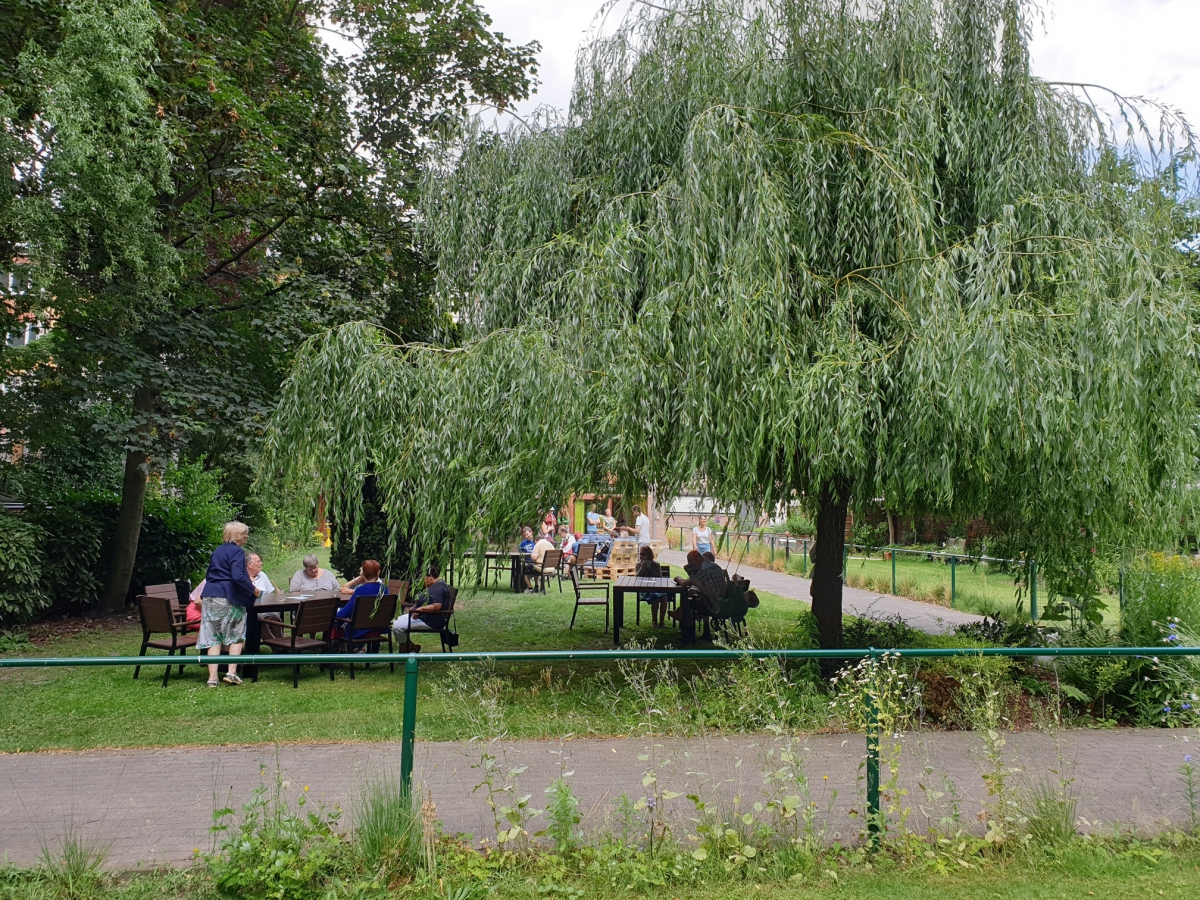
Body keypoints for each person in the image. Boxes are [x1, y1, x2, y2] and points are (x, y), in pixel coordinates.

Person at [197, 521, 261, 686]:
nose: (246, 538)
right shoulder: (237, 552)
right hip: (227, 597)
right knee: (236, 635)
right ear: (237, 535)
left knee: (213, 637)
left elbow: (209, 573)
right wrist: (253, 589)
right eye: (244, 534)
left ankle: (212, 679)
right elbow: (237, 576)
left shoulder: (217, 551)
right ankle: (231, 673)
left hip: (210, 596)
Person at [392, 562, 454, 652]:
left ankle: (406, 650)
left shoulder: (438, 587)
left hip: (432, 621)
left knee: (397, 627)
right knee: (394, 624)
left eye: (423, 578)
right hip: (423, 616)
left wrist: (420, 609)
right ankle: (411, 647)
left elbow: (437, 606)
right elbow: (427, 600)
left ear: (430, 577)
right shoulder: (434, 585)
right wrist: (415, 607)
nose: (421, 581)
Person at [336, 559, 387, 641]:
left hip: (359, 630)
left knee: (335, 620)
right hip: (378, 628)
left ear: (363, 574)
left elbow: (345, 612)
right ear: (378, 572)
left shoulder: (361, 590)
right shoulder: (384, 589)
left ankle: (334, 648)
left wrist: (334, 615)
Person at [246, 552, 284, 641]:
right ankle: (279, 649)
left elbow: (271, 594)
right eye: (258, 562)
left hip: (266, 609)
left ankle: (280, 646)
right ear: (249, 564)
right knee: (258, 621)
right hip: (249, 612)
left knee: (275, 619)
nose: (261, 563)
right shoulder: (242, 579)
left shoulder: (262, 575)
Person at [636, 545, 669, 628]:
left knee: (664, 597)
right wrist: (642, 569)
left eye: (644, 554)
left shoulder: (656, 564)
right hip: (644, 590)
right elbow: (636, 578)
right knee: (656, 598)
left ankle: (662, 622)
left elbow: (660, 578)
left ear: (649, 555)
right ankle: (654, 621)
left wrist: (652, 569)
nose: (642, 556)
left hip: (656, 587)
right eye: (641, 554)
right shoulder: (638, 565)